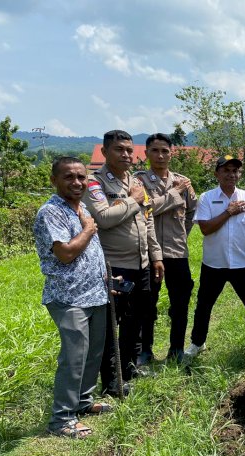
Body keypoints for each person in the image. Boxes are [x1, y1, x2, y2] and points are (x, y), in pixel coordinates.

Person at [34, 157, 112, 438]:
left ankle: (83, 402)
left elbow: (92, 253)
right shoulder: (51, 212)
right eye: (69, 177)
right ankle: (61, 419)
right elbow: (66, 253)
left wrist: (105, 278)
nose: (77, 182)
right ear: (54, 180)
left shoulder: (82, 209)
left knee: (93, 353)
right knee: (74, 357)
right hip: (68, 297)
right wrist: (89, 230)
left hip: (95, 293)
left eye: (81, 177)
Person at [83, 130, 164, 396]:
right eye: (119, 149)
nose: (126, 154)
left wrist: (156, 256)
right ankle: (110, 383)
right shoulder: (95, 183)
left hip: (141, 264)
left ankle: (127, 368)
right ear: (105, 152)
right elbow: (104, 218)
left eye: (129, 150)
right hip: (114, 266)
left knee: (136, 320)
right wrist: (133, 200)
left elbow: (148, 219)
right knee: (111, 324)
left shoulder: (135, 181)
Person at [183, 155, 245, 363]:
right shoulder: (207, 198)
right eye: (226, 170)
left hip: (242, 264)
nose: (231, 175)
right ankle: (197, 343)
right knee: (204, 306)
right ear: (217, 174)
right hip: (213, 265)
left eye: (235, 171)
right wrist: (229, 212)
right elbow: (206, 229)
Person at [135, 133, 198, 364]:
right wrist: (173, 194)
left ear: (171, 153)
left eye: (165, 151)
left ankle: (176, 349)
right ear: (147, 153)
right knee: (147, 304)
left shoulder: (183, 181)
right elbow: (146, 209)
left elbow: (192, 212)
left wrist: (182, 234)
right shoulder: (138, 182)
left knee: (180, 303)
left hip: (177, 253)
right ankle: (145, 351)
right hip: (149, 253)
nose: (160, 155)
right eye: (155, 150)